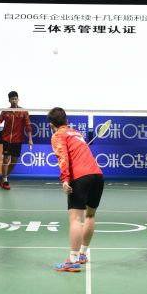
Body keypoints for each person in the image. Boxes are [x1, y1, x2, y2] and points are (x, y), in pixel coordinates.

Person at [48, 107, 104, 272]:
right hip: (97, 176)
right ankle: (82, 254)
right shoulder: (76, 133)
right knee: (90, 215)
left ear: (51, 125)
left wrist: (65, 179)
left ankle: (73, 260)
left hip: (81, 177)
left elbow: (63, 157)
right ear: (66, 121)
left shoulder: (58, 135)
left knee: (75, 219)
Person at [0, 91, 33, 189]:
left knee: (14, 161)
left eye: (15, 99)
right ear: (9, 100)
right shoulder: (5, 111)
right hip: (6, 138)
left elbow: (28, 126)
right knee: (6, 159)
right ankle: (5, 180)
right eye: (12, 99)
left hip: (17, 140)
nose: (14, 101)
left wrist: (30, 139)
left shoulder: (23, 111)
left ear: (18, 99)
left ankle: (3, 177)